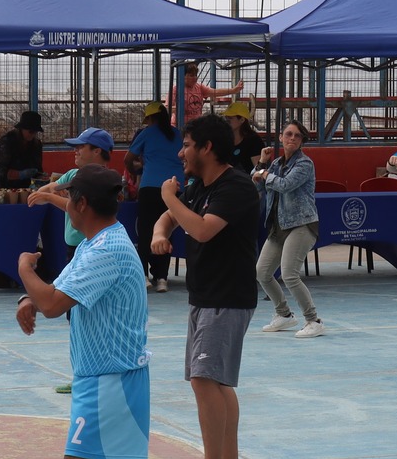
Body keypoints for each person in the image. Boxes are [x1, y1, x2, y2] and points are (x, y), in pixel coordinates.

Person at [15, 165, 159, 459]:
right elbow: (63, 289)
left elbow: (55, 303)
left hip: (109, 376)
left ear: (80, 205)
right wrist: (30, 297)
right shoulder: (102, 242)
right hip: (109, 372)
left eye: (68, 198)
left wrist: (23, 271)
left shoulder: (105, 250)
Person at [153, 113, 261, 459]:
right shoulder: (201, 186)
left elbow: (200, 229)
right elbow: (173, 217)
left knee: (203, 379)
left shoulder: (236, 187)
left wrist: (167, 197)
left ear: (207, 148)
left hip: (227, 297)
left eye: (186, 145)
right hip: (206, 296)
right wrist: (159, 231)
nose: (181, 152)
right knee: (216, 381)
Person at [29, 127, 118, 395]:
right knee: (75, 314)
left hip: (91, 248)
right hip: (74, 249)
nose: (76, 151)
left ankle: (93, 372)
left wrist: (49, 197)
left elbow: (64, 200)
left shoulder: (106, 182)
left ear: (98, 152)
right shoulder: (72, 176)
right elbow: (51, 187)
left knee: (91, 313)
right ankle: (82, 371)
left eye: (82, 147)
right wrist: (45, 191)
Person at [254, 120, 324, 338]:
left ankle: (313, 320)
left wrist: (265, 174)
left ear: (301, 141)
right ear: (281, 138)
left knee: (289, 274)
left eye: (297, 136)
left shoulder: (305, 164)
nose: (292, 138)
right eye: (289, 134)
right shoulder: (274, 164)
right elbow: (254, 183)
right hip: (279, 225)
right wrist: (261, 164)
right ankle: (284, 315)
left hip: (302, 224)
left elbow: (285, 185)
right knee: (262, 273)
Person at [128, 103, 182, 293]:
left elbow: (128, 158)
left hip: (150, 186)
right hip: (175, 187)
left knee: (146, 231)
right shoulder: (177, 134)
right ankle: (162, 278)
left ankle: (143, 275)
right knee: (167, 231)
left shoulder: (147, 133)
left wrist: (135, 174)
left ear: (151, 119)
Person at [0, 110, 46, 188]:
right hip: (5, 188)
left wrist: (40, 177)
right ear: (21, 129)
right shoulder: (7, 142)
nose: (33, 135)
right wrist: (20, 174)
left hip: (26, 188)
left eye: (35, 132)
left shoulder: (36, 144)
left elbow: (38, 169)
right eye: (31, 131)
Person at [175, 64, 242, 121]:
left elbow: (215, 92)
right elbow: (169, 108)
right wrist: (180, 109)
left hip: (196, 126)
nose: (195, 78)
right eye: (191, 75)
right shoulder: (176, 89)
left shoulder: (199, 87)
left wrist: (233, 90)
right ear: (182, 76)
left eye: (196, 75)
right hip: (181, 125)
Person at [224, 102, 267, 174]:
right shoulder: (224, 139)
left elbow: (259, 171)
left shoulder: (253, 141)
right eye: (226, 118)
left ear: (242, 120)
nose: (226, 121)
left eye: (230, 118)